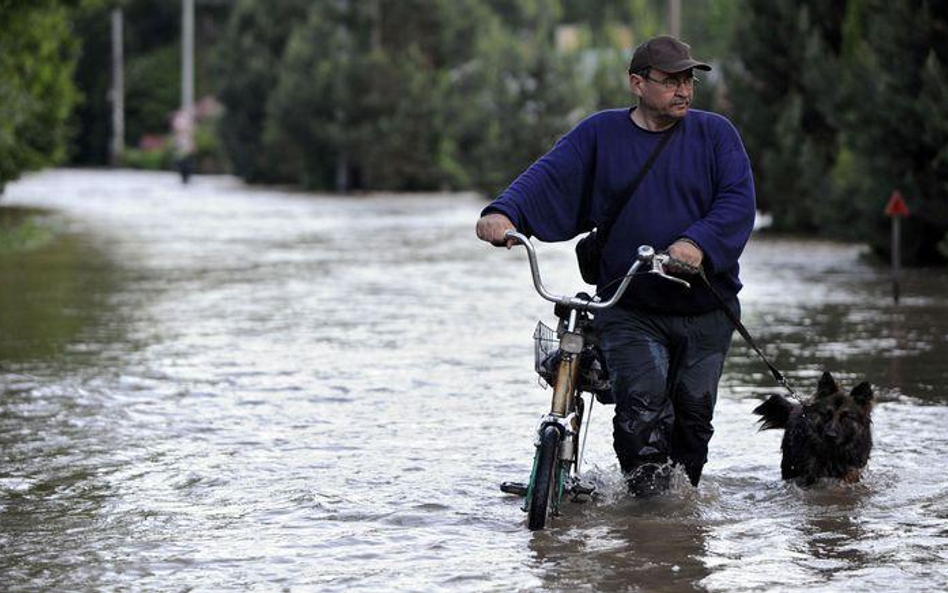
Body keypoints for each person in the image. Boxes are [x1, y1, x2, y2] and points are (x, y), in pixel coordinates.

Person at [475, 35, 756, 496]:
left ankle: (679, 528)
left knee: (693, 419)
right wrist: (504, 212)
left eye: (688, 80)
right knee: (642, 413)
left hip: (707, 309)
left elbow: (736, 203)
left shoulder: (716, 135)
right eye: (670, 81)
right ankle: (647, 522)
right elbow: (549, 175)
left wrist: (695, 243)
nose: (683, 90)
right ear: (637, 83)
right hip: (630, 306)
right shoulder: (600, 133)